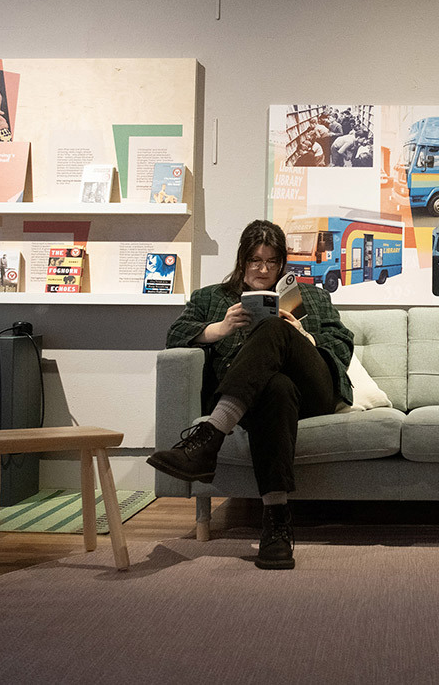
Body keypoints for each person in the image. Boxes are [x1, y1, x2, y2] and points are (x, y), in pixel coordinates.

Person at [150, 220, 355, 570]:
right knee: (275, 388)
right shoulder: (212, 298)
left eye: (271, 262)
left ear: (282, 264)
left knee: (275, 327)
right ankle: (276, 524)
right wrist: (219, 328)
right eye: (255, 261)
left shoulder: (313, 296)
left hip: (313, 392)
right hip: (267, 400)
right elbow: (176, 334)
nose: (263, 270)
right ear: (242, 260)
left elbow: (343, 344)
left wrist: (304, 337)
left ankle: (209, 437)